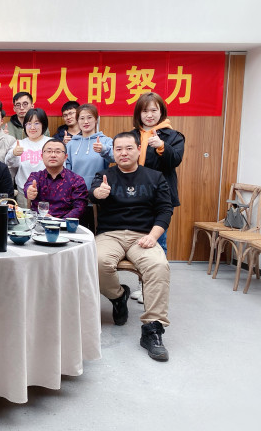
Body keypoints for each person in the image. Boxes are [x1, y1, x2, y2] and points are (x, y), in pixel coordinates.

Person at [89, 132, 173, 362]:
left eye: (129, 148)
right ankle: (118, 296)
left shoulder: (155, 177)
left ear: (138, 150)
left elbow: (165, 210)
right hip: (110, 234)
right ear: (113, 152)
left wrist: (153, 236)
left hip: (143, 236)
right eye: (118, 149)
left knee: (158, 266)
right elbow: (92, 194)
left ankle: (153, 329)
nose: (123, 153)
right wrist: (98, 193)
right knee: (96, 261)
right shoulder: (104, 175)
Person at [129, 92, 185, 303]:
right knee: (140, 243)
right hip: (136, 196)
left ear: (162, 112)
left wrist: (161, 146)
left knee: (158, 242)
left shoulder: (174, 136)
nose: (149, 115)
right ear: (139, 113)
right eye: (145, 111)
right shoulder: (132, 135)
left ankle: (154, 288)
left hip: (161, 197)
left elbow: (175, 160)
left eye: (154, 110)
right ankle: (142, 284)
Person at [65, 103, 114, 231]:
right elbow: (66, 171)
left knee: (96, 233)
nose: (86, 122)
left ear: (96, 119)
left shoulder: (105, 141)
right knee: (76, 234)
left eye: (89, 117)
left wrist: (104, 149)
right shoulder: (71, 144)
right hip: (76, 199)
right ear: (77, 121)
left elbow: (115, 157)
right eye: (82, 118)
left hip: (98, 198)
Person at [24, 139, 87, 218]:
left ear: (65, 157)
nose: (53, 155)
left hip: (64, 224)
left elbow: (80, 207)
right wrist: (29, 191)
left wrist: (58, 222)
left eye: (58, 151)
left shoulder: (76, 180)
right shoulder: (36, 176)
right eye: (49, 151)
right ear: (42, 156)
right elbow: (29, 186)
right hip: (38, 222)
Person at [5, 108, 52, 208]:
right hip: (23, 194)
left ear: (43, 124)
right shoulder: (19, 144)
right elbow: (9, 163)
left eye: (37, 123)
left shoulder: (51, 143)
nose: (32, 127)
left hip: (47, 194)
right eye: (29, 123)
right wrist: (14, 153)